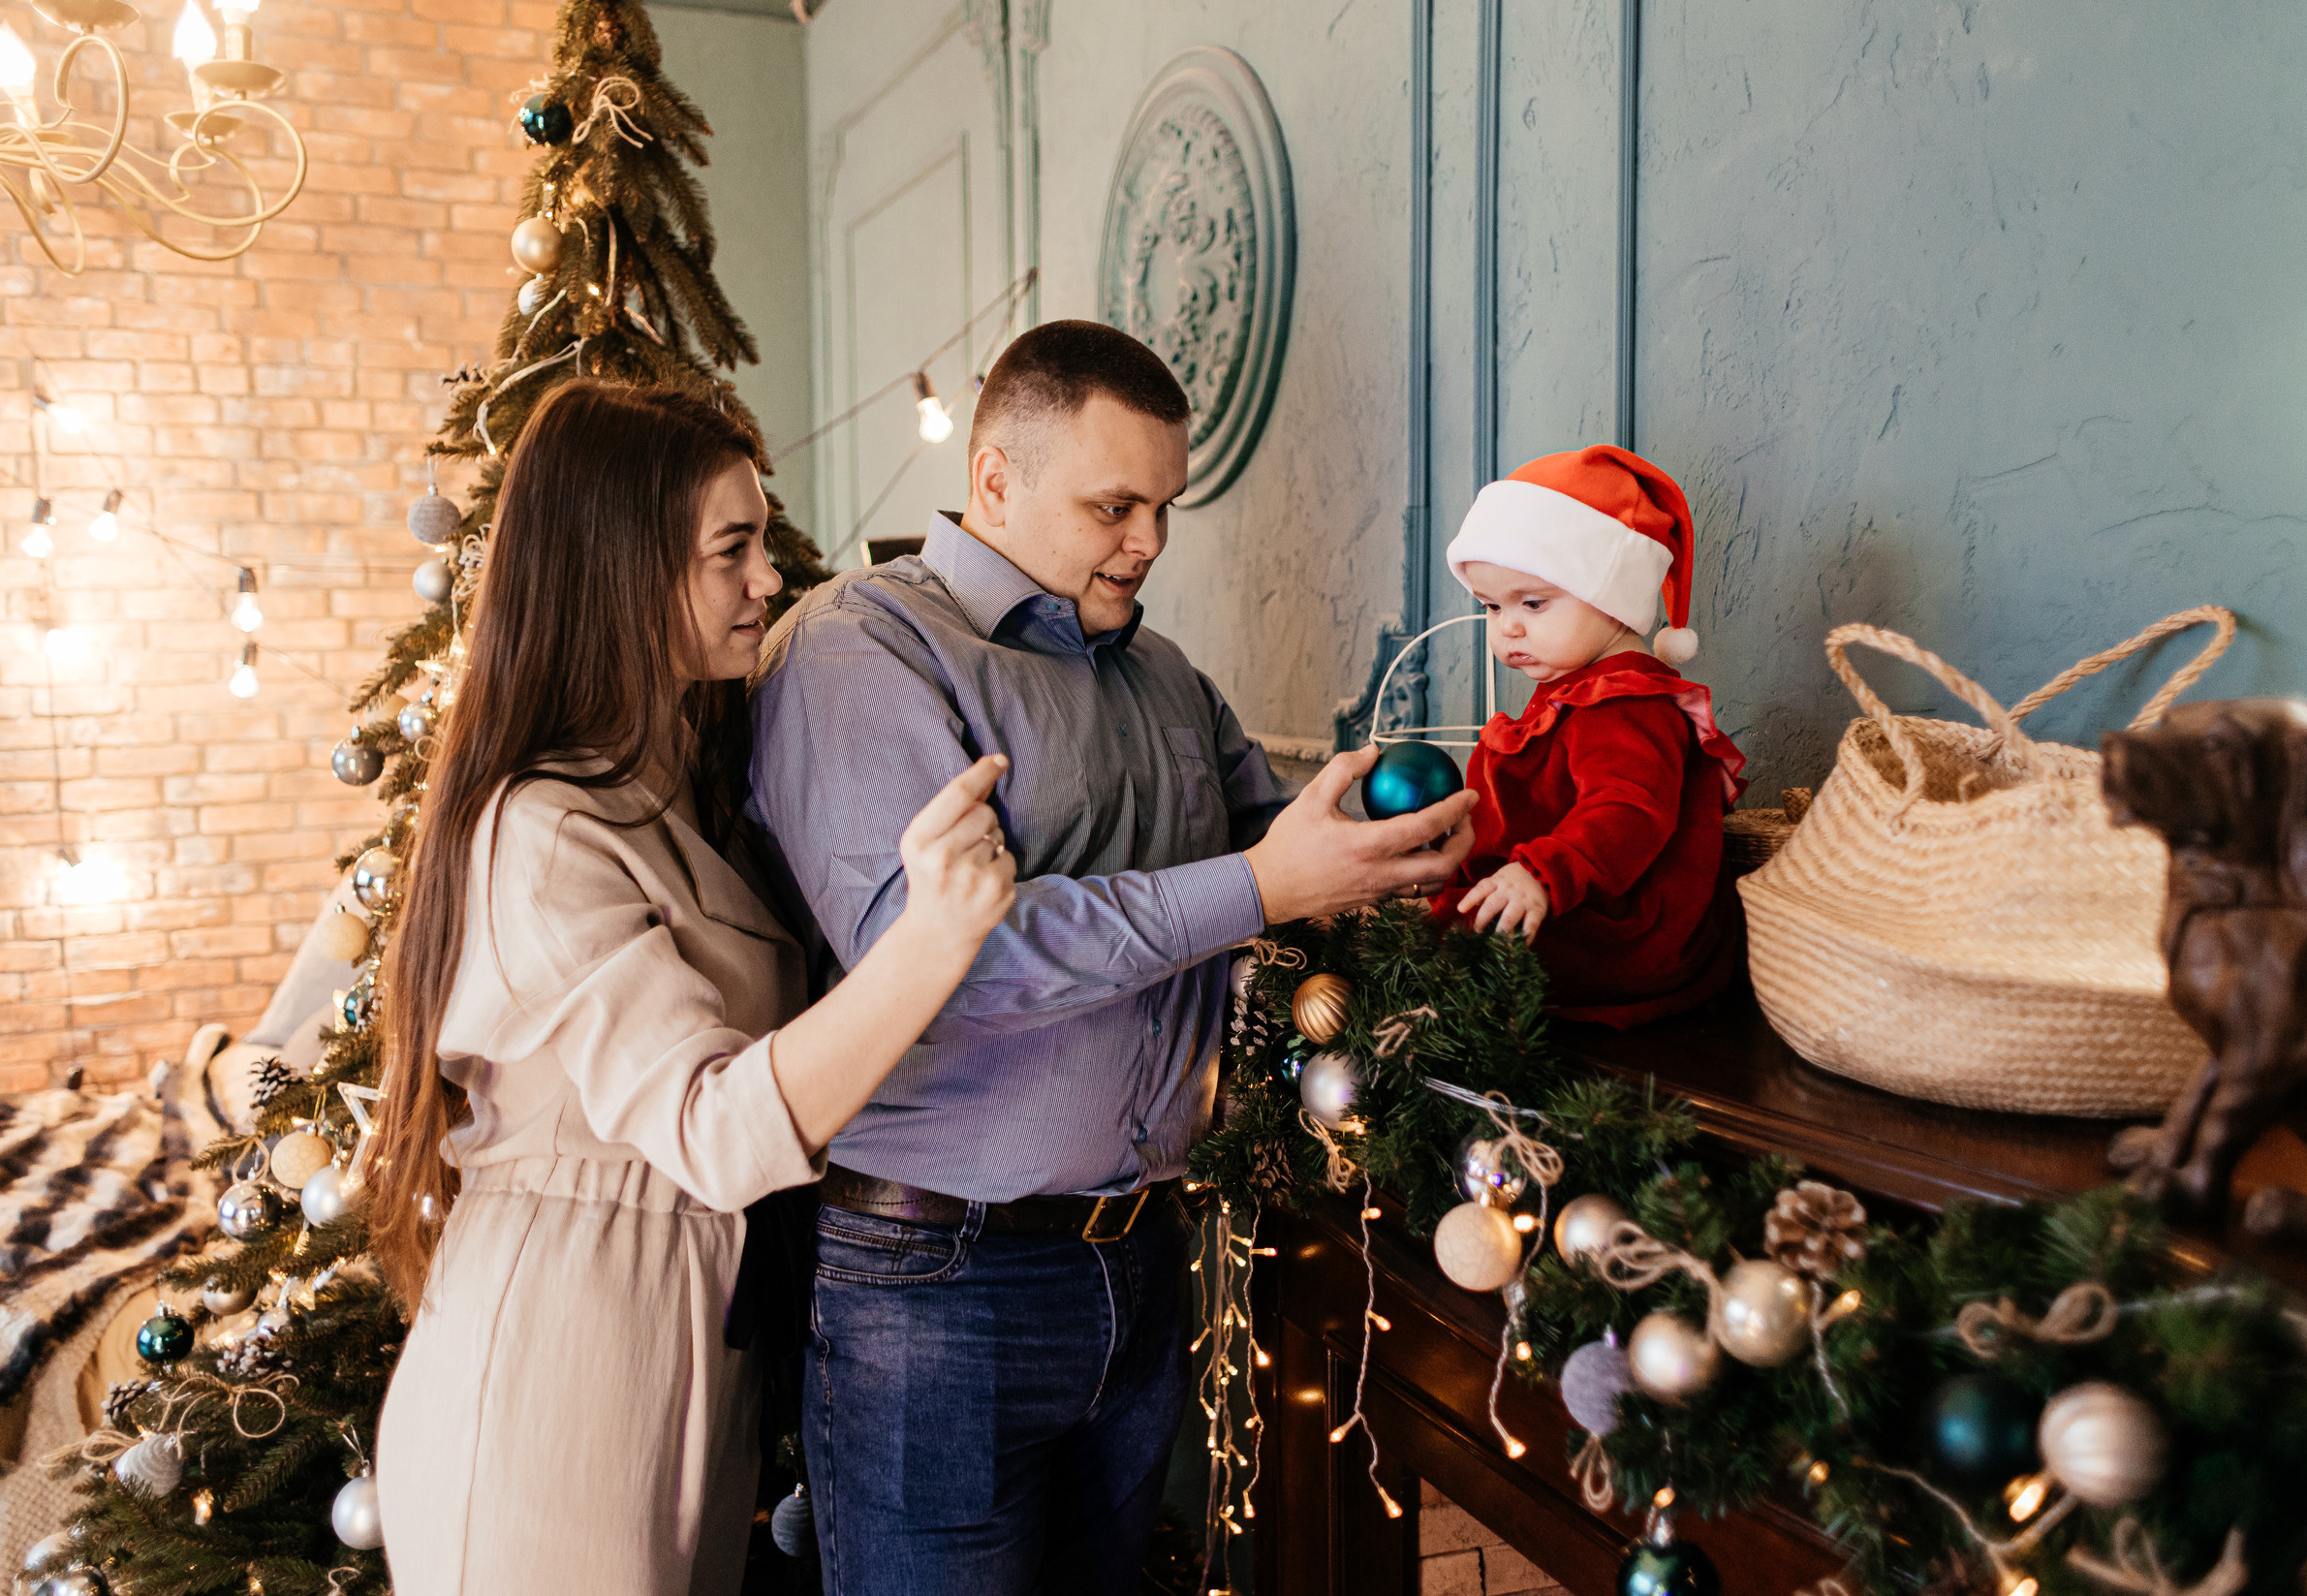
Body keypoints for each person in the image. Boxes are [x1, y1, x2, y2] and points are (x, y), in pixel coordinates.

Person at [747, 320, 1479, 1596]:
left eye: (1164, 506)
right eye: (1114, 506)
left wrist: (1396, 843)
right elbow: (942, 956)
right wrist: (1266, 882)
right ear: (993, 479)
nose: (1149, 540)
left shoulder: (1167, 677)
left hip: (1144, 1265)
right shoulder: (859, 646)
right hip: (933, 1287)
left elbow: (1279, 860)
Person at [365, 381, 1017, 1596]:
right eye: (733, 550)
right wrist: (933, 937)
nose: (769, 580)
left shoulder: (674, 786)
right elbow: (714, 1131)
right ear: (624, 568)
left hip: (688, 1367)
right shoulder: (540, 832)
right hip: (552, 1385)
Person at [1437, 444, 1747, 1025]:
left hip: (1624, 932)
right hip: (1564, 892)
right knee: (1432, 923)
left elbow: (1628, 811)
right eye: (1491, 607)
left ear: (1612, 598)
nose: (1509, 627)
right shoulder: (1576, 683)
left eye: (1533, 602)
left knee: (1446, 943)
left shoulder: (1625, 702)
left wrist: (1541, 873)